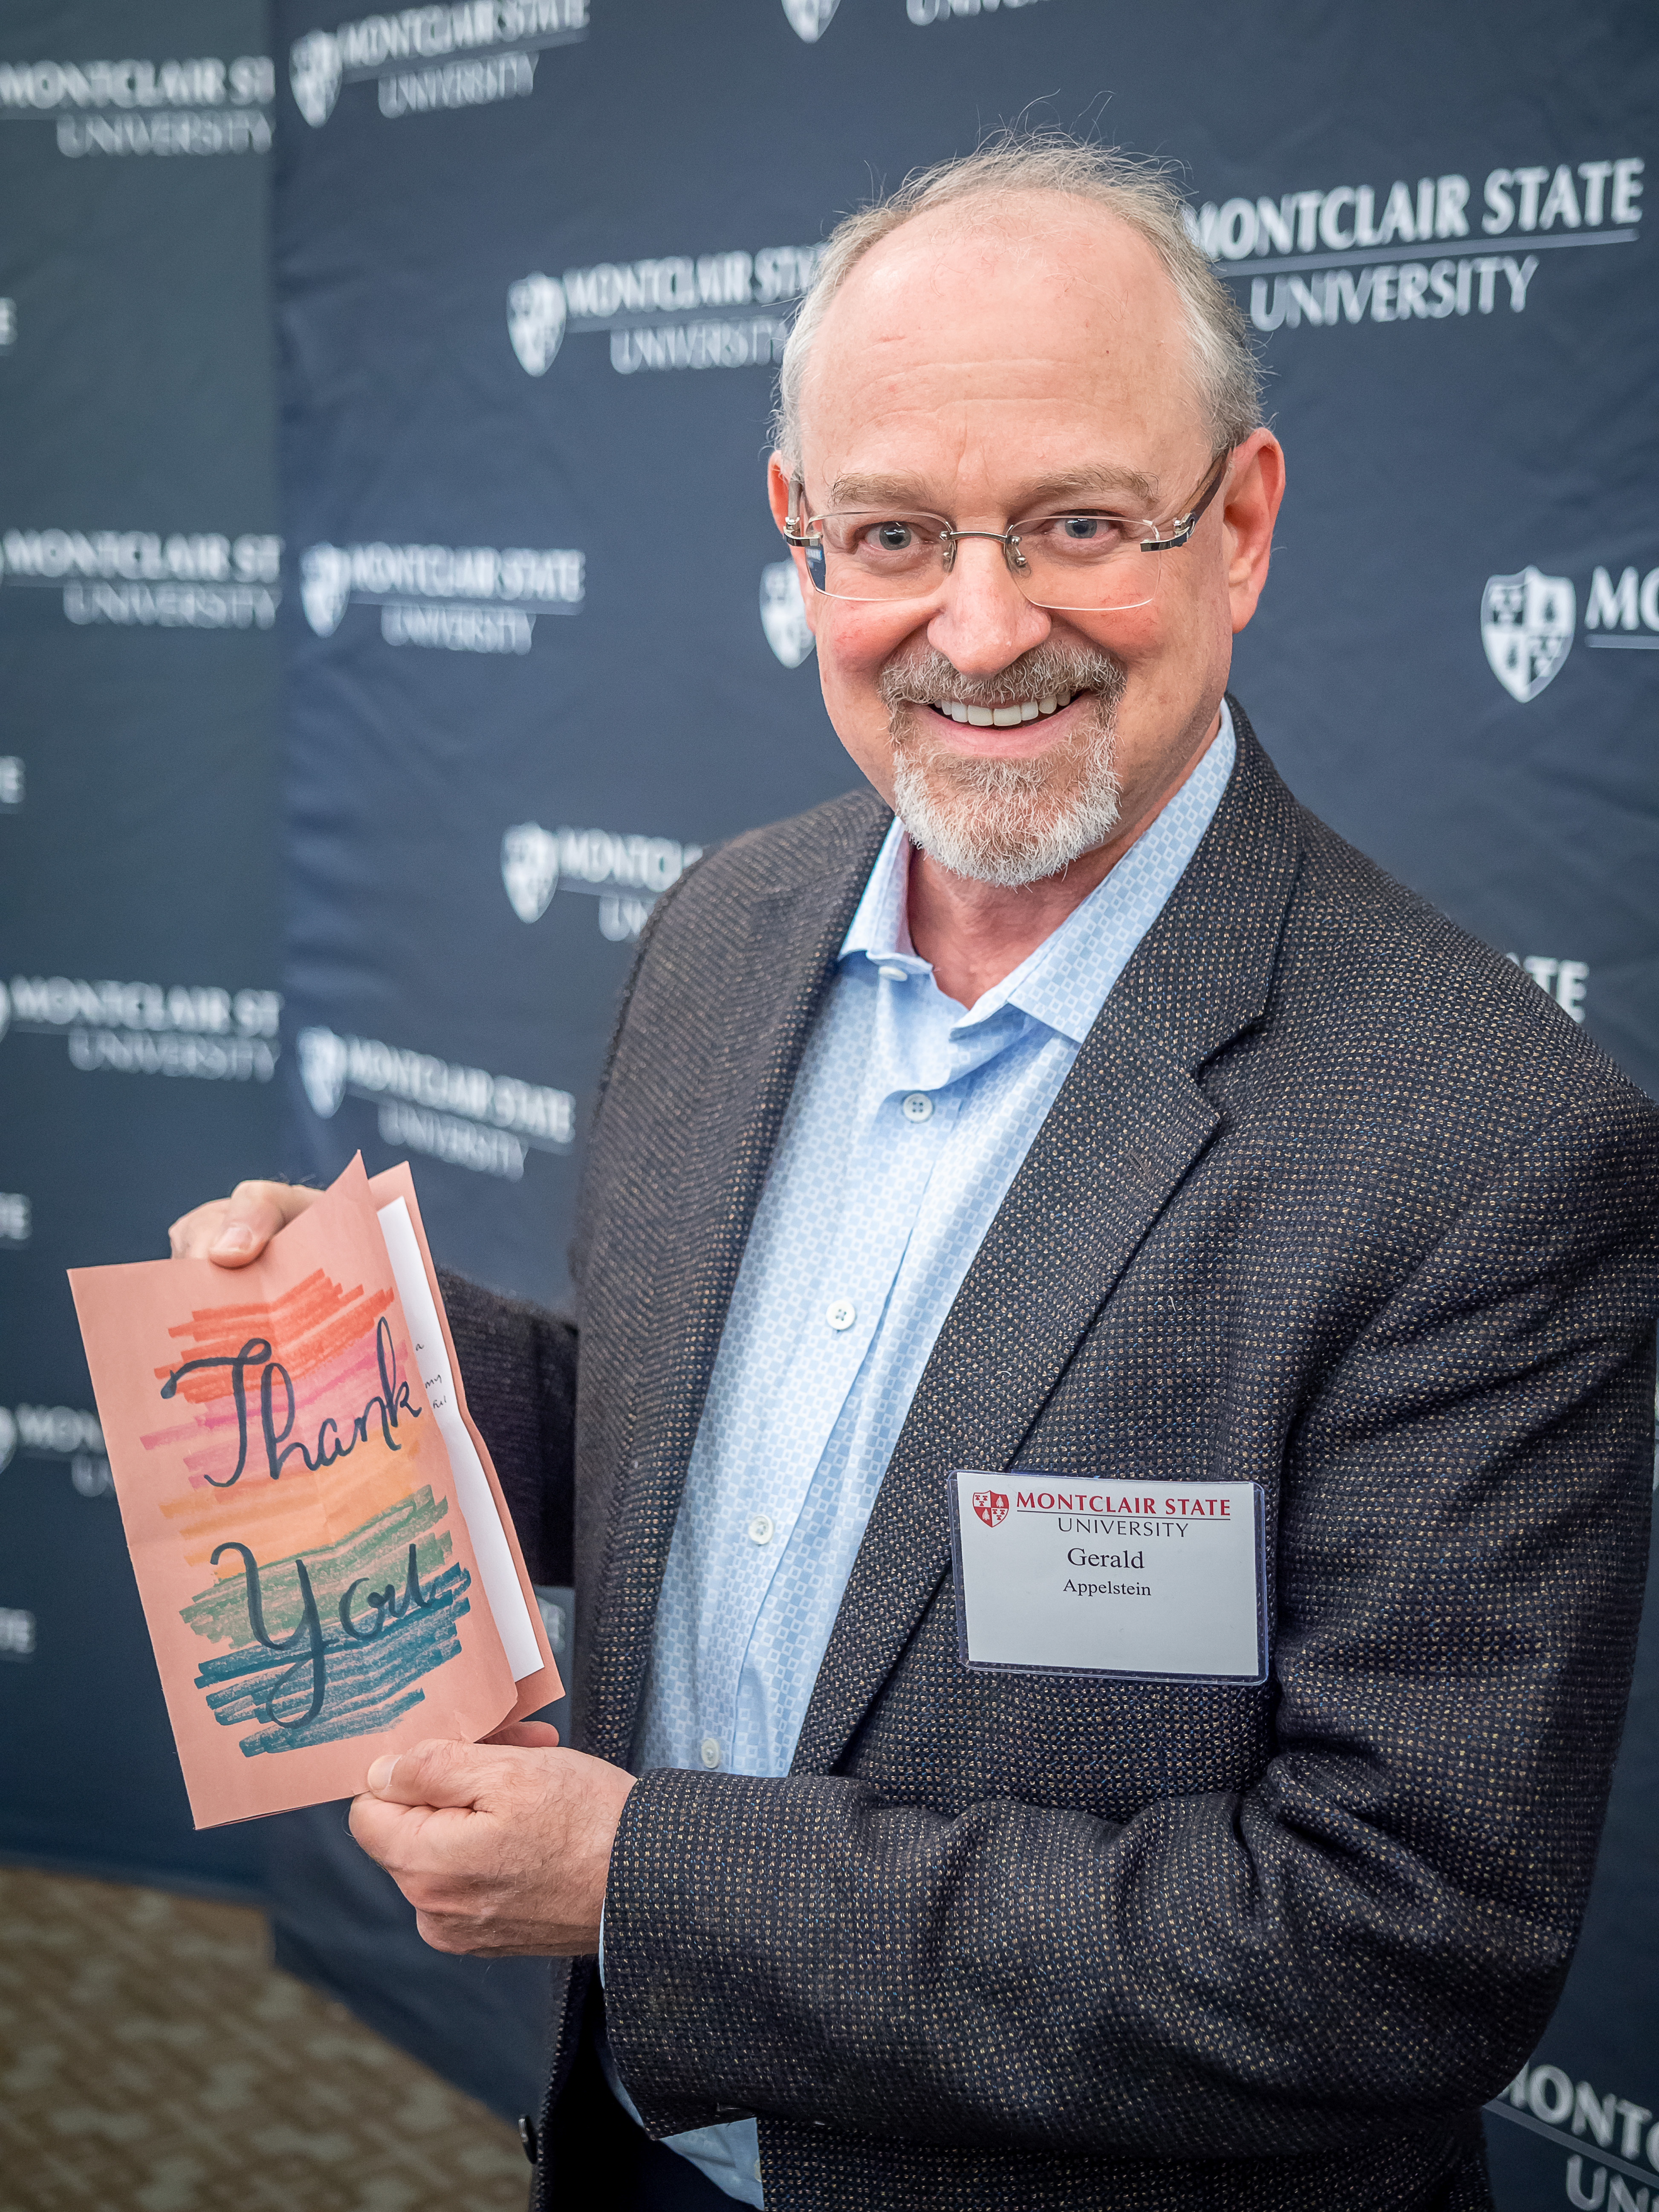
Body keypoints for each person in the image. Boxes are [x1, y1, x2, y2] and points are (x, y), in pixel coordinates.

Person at [169, 139, 1659, 2212]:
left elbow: (1390, 1940)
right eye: (893, 533)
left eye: (1071, 523)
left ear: (1237, 523)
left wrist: (642, 1877)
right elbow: (739, 1470)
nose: (979, 628)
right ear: (799, 537)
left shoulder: (1486, 1137)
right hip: (642, 2148)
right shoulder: (725, 931)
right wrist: (361, 1359)